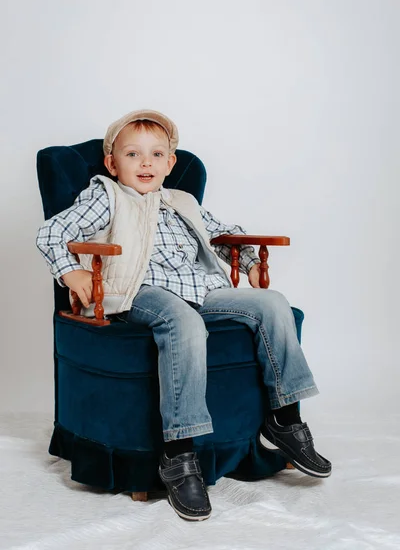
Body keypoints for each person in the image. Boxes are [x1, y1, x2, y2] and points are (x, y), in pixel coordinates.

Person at [36, 109, 331, 522]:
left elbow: (223, 232)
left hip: (199, 289)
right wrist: (72, 269)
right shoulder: (104, 195)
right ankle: (180, 452)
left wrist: (247, 261)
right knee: (184, 321)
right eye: (133, 154)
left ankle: (285, 419)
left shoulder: (181, 201)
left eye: (157, 155)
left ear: (170, 164)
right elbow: (51, 232)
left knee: (274, 303)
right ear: (112, 163)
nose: (146, 163)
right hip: (137, 290)